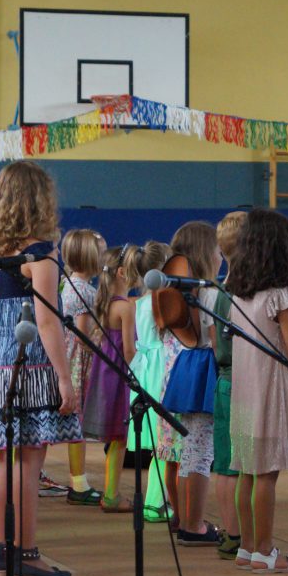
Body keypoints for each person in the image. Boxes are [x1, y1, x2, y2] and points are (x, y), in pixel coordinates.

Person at [0, 161, 78, 576]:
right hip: (32, 359)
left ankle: (4, 550)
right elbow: (48, 320)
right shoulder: (41, 252)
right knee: (29, 460)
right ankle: (26, 554)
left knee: (6, 458)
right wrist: (65, 376)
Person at [228, 208, 288, 573]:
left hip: (244, 391)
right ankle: (266, 551)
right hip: (271, 389)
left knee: (246, 470)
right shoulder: (279, 296)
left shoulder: (238, 295)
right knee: (267, 475)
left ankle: (246, 547)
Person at [159, 222, 222, 546]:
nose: (221, 256)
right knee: (200, 450)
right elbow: (215, 341)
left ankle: (187, 519)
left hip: (187, 366)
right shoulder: (209, 293)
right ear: (205, 253)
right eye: (217, 249)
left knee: (190, 450)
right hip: (206, 367)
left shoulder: (178, 292)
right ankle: (194, 525)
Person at [81, 245, 137, 512]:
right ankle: (112, 495)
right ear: (123, 272)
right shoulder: (125, 308)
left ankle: (111, 491)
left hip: (104, 375)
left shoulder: (104, 304)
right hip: (119, 378)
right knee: (120, 438)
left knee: (115, 437)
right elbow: (128, 350)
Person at [124, 241, 173, 522]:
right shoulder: (160, 304)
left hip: (144, 372)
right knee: (163, 443)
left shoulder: (137, 303)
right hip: (160, 371)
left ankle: (157, 499)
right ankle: (155, 502)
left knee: (158, 442)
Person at [57, 228, 106, 505]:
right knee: (76, 426)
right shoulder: (85, 292)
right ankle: (79, 482)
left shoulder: (66, 285)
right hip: (78, 364)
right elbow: (84, 335)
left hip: (67, 358)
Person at [210, 212, 245, 558]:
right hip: (241, 382)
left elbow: (212, 341)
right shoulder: (243, 294)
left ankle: (231, 534)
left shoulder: (219, 291)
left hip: (223, 380)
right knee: (243, 464)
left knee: (223, 463)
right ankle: (245, 536)